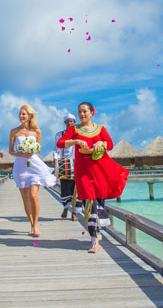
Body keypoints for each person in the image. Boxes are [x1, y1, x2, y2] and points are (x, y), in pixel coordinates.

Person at [57, 102, 129, 253]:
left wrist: (101, 143)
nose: (81, 114)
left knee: (99, 199)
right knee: (88, 201)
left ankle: (98, 230)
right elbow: (60, 143)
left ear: (91, 113)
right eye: (79, 112)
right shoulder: (74, 129)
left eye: (84, 112)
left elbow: (109, 144)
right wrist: (75, 141)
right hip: (82, 171)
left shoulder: (101, 129)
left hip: (99, 168)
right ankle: (94, 240)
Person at [9, 104, 57, 237]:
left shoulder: (37, 131)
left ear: (30, 116)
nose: (21, 116)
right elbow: (11, 151)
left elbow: (39, 149)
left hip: (34, 165)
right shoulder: (14, 131)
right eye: (19, 114)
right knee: (25, 198)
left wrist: (31, 150)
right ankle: (31, 224)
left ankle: (36, 226)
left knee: (33, 196)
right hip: (20, 166)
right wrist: (22, 153)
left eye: (23, 114)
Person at [54, 113, 81, 221]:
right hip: (64, 163)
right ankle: (65, 207)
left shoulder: (79, 134)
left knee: (76, 188)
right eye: (68, 121)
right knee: (65, 188)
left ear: (74, 122)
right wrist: (55, 160)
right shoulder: (59, 134)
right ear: (65, 123)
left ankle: (73, 212)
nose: (70, 123)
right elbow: (56, 149)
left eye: (71, 121)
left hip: (77, 163)